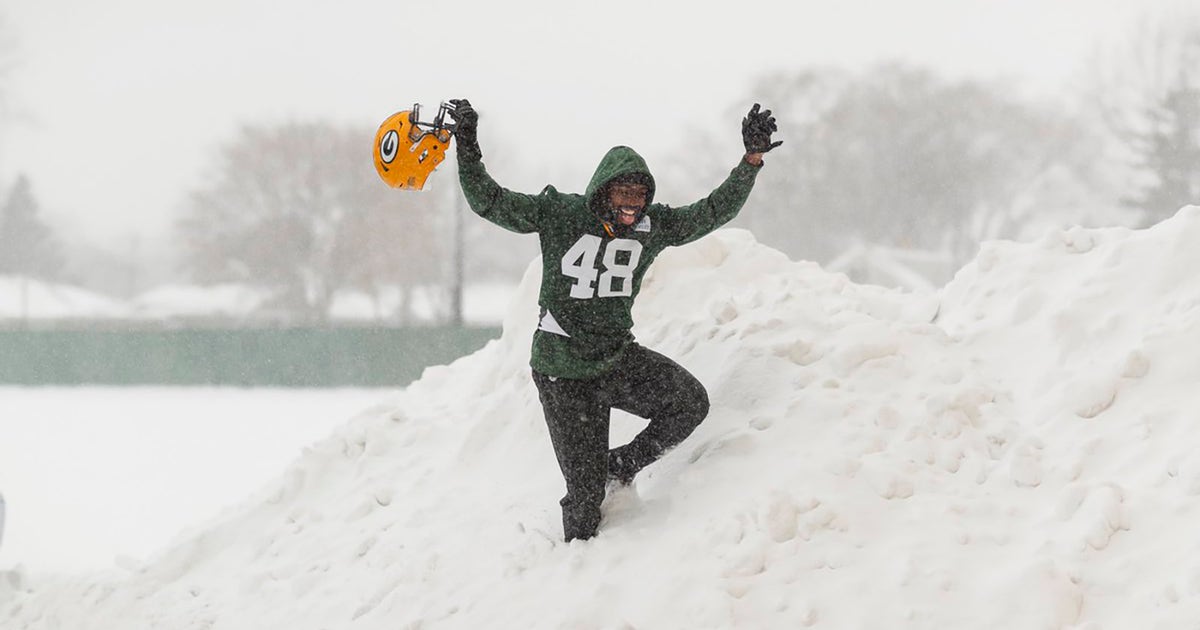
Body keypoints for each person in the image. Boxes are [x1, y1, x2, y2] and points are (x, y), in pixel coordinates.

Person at [447, 99, 780, 542]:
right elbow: (489, 202)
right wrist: (467, 146)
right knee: (584, 498)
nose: (632, 205)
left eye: (640, 196)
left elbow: (712, 212)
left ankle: (618, 466)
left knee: (689, 403)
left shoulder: (651, 226)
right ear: (603, 192)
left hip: (615, 358)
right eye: (624, 194)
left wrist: (750, 161)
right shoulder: (561, 214)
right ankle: (576, 560)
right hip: (563, 371)